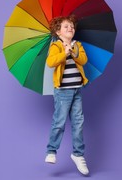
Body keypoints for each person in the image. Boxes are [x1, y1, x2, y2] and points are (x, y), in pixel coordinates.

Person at [45, 15, 89, 175]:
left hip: (77, 89)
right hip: (63, 91)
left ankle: (78, 154)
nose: (70, 28)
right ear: (58, 31)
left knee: (78, 123)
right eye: (66, 26)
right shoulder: (56, 46)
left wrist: (73, 52)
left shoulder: (78, 45)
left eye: (72, 26)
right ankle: (51, 151)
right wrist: (64, 52)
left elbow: (83, 60)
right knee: (60, 121)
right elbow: (51, 62)